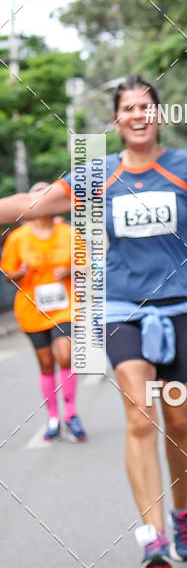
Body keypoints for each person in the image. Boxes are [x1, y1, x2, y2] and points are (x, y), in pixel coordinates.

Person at [0, 75, 187, 568]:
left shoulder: (184, 167)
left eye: (146, 107)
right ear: (117, 120)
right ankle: (152, 534)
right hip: (122, 310)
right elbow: (27, 205)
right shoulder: (95, 175)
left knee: (179, 421)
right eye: (128, 108)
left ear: (157, 116)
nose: (138, 115)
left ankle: (181, 510)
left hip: (184, 307)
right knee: (141, 416)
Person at [0, 182, 86, 442]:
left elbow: (87, 266)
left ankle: (71, 414)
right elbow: (7, 274)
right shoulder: (17, 238)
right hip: (32, 310)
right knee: (46, 363)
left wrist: (70, 271)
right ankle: (53, 417)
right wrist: (20, 273)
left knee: (65, 355)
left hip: (66, 307)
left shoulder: (69, 233)